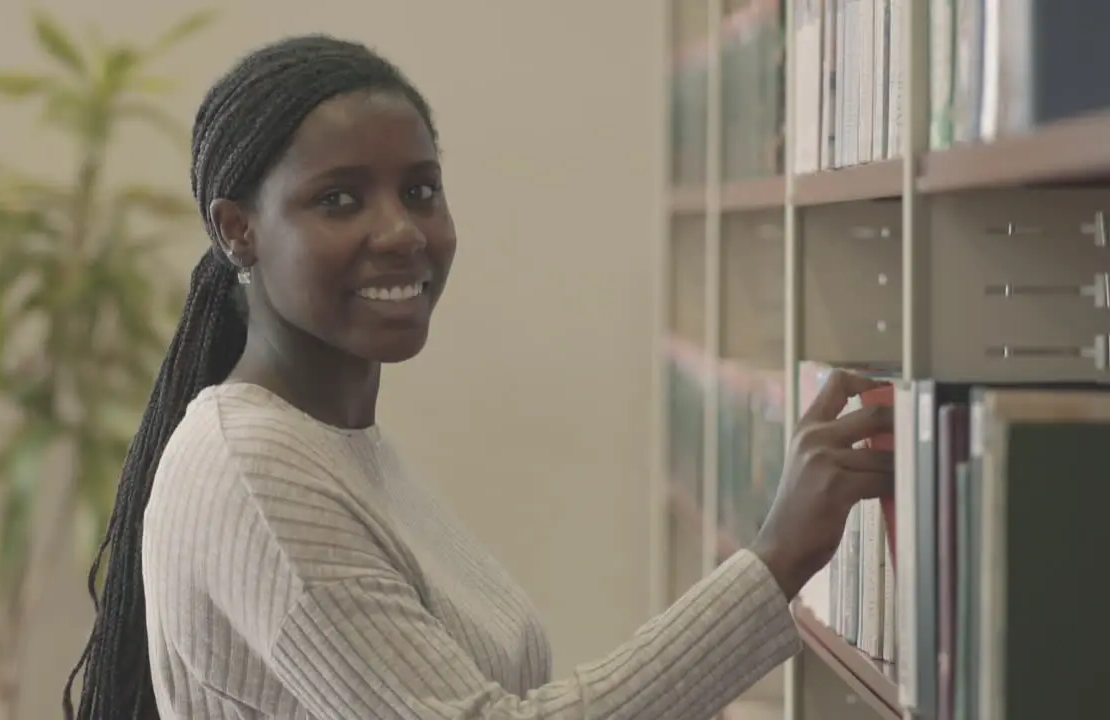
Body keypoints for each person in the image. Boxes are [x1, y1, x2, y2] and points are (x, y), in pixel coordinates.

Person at [63, 34, 894, 720]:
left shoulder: (335, 445)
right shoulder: (252, 466)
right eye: (340, 201)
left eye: (420, 190)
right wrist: (776, 559)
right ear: (238, 231)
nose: (400, 232)